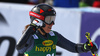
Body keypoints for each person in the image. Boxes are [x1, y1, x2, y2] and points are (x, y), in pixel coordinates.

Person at [16, 4, 98, 56]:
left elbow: (73, 47)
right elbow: (19, 48)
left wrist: (85, 47)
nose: (52, 23)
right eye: (49, 20)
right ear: (38, 21)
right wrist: (31, 27)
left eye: (53, 19)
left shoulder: (54, 36)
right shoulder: (32, 37)